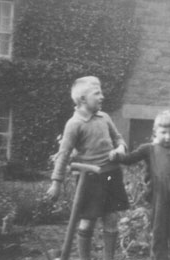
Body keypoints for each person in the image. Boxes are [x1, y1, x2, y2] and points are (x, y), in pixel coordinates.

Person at [46, 76, 128, 260]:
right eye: (97, 93)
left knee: (112, 218)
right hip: (90, 179)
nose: (102, 96)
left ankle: (109, 257)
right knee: (87, 221)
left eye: (101, 92)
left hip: (111, 174)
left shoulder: (105, 117)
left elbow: (118, 138)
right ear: (82, 99)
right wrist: (56, 183)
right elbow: (64, 154)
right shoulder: (74, 124)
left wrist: (120, 148)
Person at [113, 110, 170, 260]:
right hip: (158, 197)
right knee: (159, 231)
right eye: (163, 132)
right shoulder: (148, 149)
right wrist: (117, 156)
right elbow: (130, 159)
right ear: (155, 132)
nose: (168, 137)